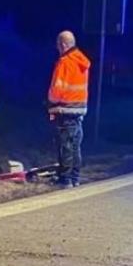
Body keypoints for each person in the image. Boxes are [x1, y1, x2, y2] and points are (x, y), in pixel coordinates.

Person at [47, 30, 90, 187]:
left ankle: (65, 179)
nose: (57, 48)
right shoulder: (82, 61)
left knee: (65, 145)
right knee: (75, 146)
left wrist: (50, 101)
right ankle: (75, 177)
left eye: (58, 45)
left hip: (65, 109)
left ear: (63, 45)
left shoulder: (65, 62)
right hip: (79, 110)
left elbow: (57, 89)